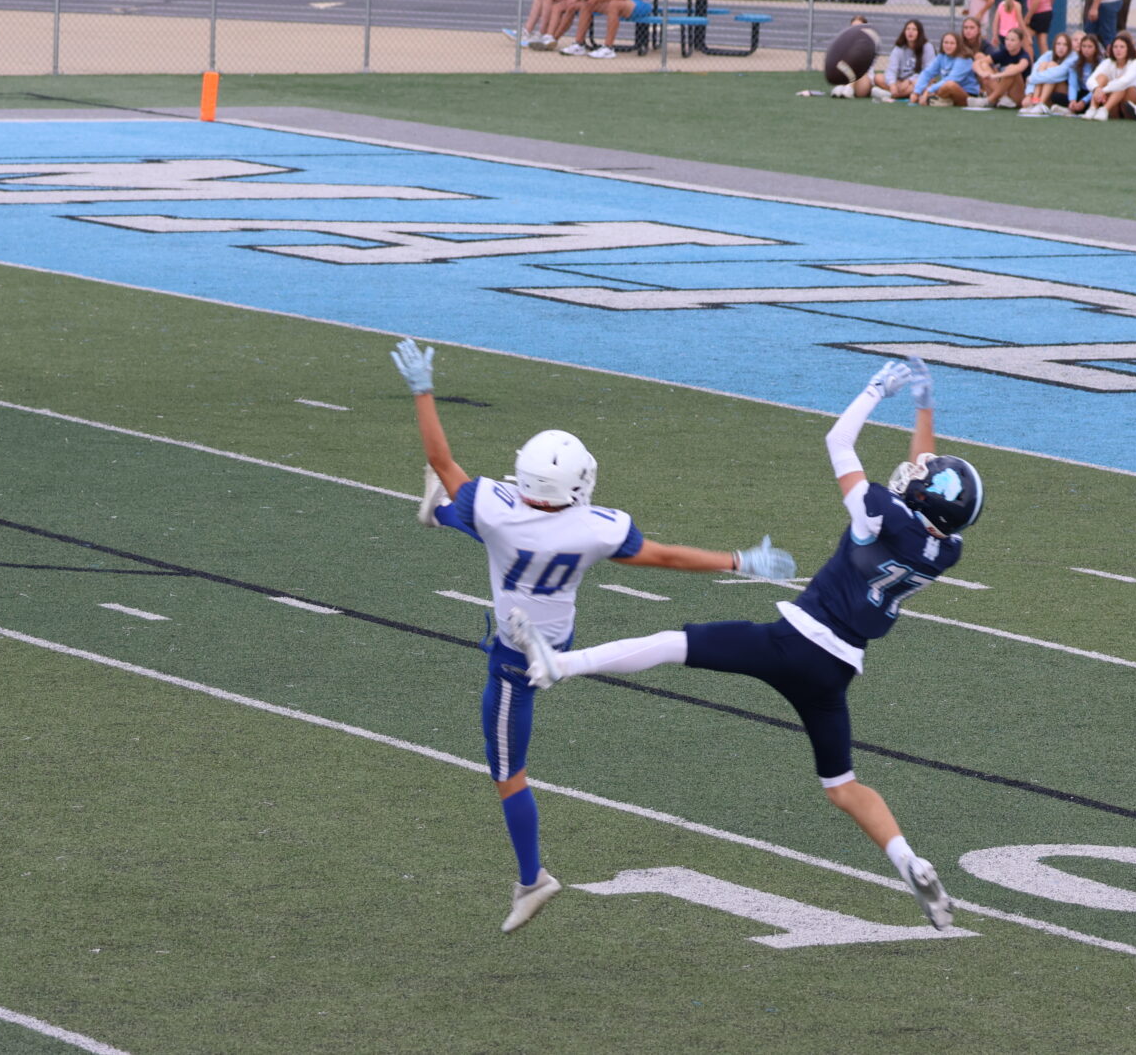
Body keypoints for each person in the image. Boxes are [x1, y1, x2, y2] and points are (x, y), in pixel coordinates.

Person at [504, 357, 979, 931]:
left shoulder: (878, 511)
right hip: (835, 672)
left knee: (672, 642)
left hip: (792, 641)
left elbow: (839, 441)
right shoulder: (945, 549)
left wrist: (876, 390)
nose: (911, 474)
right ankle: (908, 861)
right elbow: (927, 489)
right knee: (842, 786)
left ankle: (560, 665)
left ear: (921, 500)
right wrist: (925, 409)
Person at [392, 336, 795, 932]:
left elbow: (442, 460)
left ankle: (534, 878)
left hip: (516, 659)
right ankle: (440, 513)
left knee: (508, 774)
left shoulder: (496, 505)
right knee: (496, 529)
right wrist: (737, 560)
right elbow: (665, 557)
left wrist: (423, 391)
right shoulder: (596, 528)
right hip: (557, 632)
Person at [848, 18, 927, 101]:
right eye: (908, 29)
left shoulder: (926, 47)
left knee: (921, 83)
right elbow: (892, 69)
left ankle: (894, 95)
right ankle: (897, 93)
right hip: (900, 81)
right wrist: (892, 85)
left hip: (915, 80)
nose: (910, 32)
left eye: (914, 29)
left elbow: (928, 71)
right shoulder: (898, 48)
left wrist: (910, 80)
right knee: (878, 78)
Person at [1086, 32, 1136, 121]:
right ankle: (1092, 108)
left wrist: (1103, 91)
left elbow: (1124, 82)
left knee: (1121, 84)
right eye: (1115, 47)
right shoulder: (1108, 62)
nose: (1118, 50)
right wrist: (1096, 89)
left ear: (1128, 49)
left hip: (1130, 100)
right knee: (1101, 77)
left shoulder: (1135, 63)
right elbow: (1090, 80)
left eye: (1122, 47)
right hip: (1114, 101)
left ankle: (1105, 109)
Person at [972, 22, 1032, 110]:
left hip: (1019, 95)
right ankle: (1002, 98)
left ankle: (989, 100)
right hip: (1004, 90)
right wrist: (982, 74)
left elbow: (1019, 68)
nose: (1008, 43)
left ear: (1020, 42)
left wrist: (995, 75)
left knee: (1011, 69)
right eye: (1007, 39)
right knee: (983, 63)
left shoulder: (1024, 56)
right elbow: (977, 63)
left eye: (1012, 40)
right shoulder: (1004, 52)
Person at [908, 31, 976, 106]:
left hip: (967, 95)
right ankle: (935, 99)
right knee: (921, 83)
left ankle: (933, 99)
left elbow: (951, 79)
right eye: (946, 43)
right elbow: (927, 73)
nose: (948, 46)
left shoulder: (964, 59)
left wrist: (928, 91)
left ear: (958, 45)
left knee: (950, 85)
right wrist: (916, 92)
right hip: (944, 89)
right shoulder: (941, 57)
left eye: (952, 43)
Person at [1022, 31, 1080, 115]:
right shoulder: (1049, 54)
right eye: (1058, 44)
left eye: (1065, 45)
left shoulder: (1073, 56)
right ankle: (1035, 101)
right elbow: (1035, 70)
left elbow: (1056, 74)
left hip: (1068, 93)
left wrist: (1031, 79)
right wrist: (1029, 94)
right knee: (1043, 65)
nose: (1061, 47)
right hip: (1051, 89)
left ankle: (1040, 103)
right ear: (1054, 45)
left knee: (1051, 67)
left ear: (1069, 47)